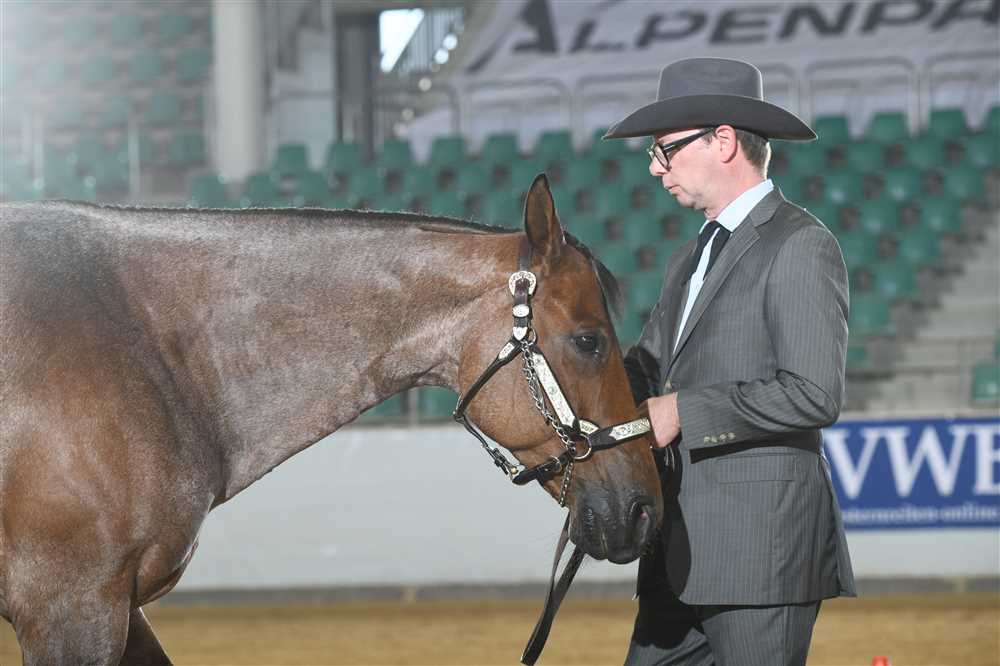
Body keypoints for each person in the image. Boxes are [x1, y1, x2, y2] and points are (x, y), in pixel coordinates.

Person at [603, 57, 857, 666]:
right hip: (678, 553)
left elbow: (814, 393)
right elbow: (647, 370)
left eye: (665, 149)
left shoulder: (801, 244)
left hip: (762, 553)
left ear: (722, 142)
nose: (655, 167)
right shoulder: (688, 258)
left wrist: (683, 411)